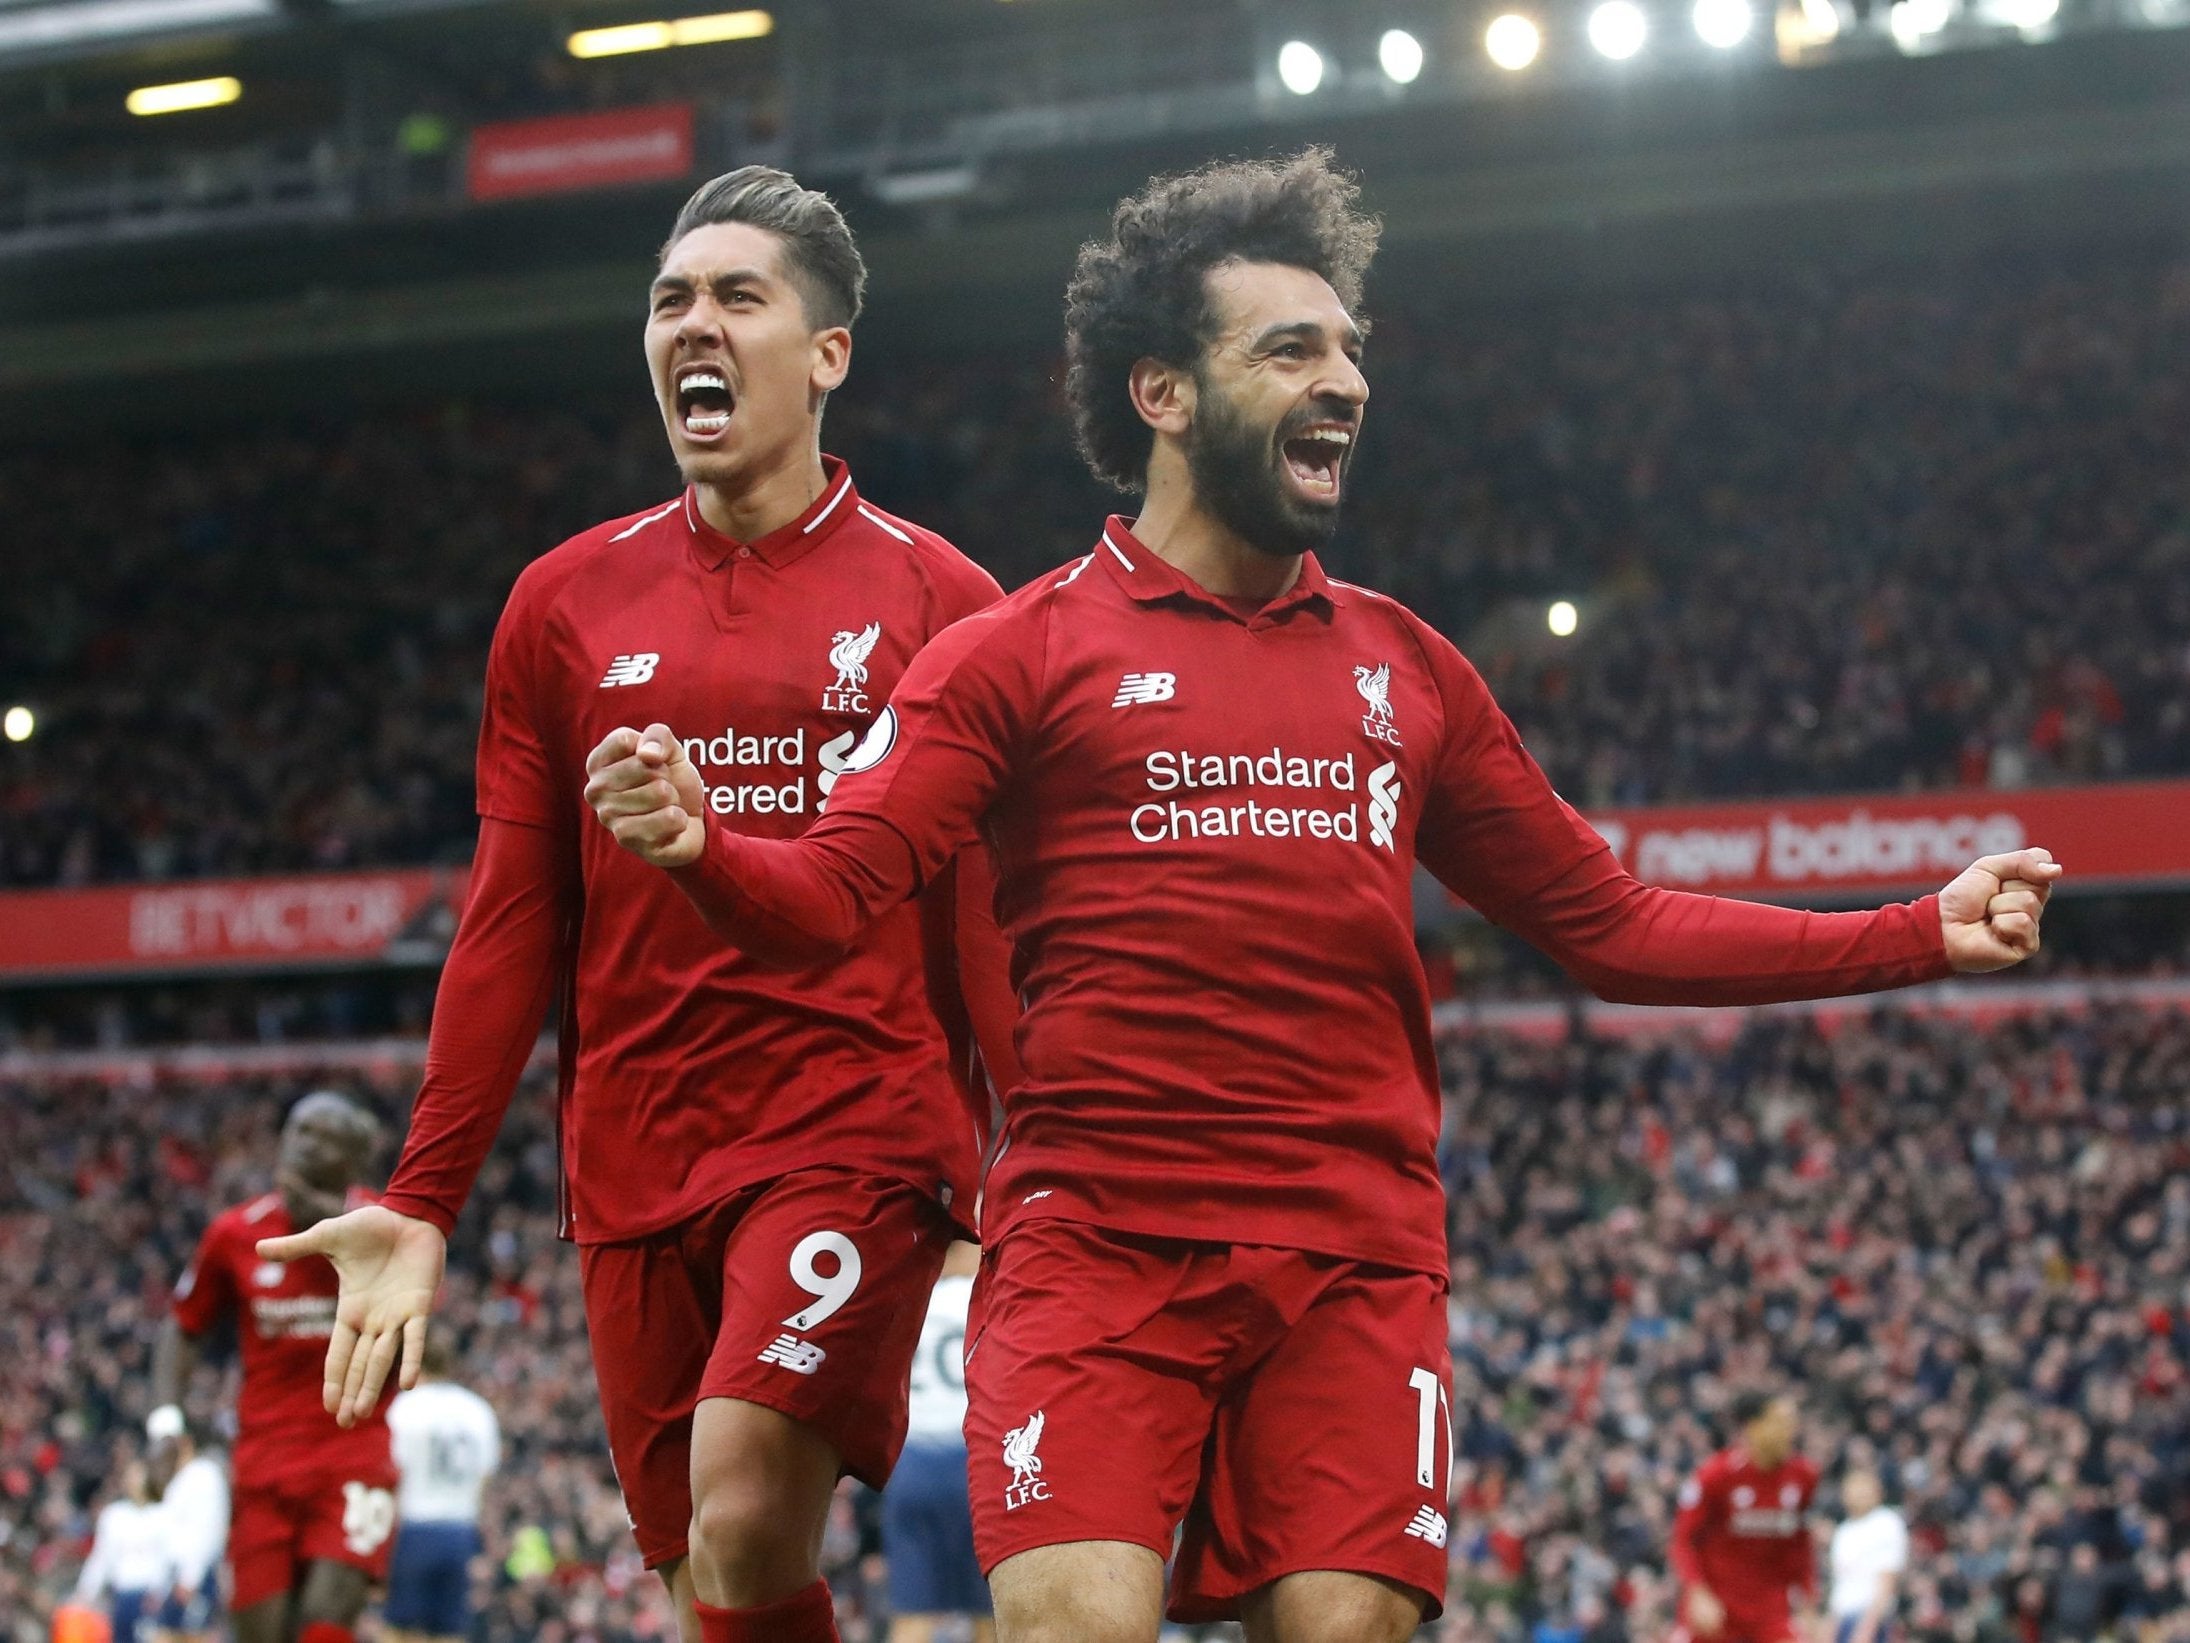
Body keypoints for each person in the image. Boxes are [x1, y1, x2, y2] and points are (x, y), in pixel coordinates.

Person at [581, 149, 2061, 1643]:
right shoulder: (1015, 655)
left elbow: (1608, 922)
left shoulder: (1404, 667)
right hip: (1097, 1247)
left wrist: (1912, 930)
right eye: (1290, 348)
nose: (1342, 378)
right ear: (1161, 393)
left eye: (1349, 347)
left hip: (1353, 1262)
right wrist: (705, 847)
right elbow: (832, 893)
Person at [259, 166, 1017, 1643]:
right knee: (703, 1581)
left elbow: (983, 922)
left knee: (741, 1500)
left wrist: (1033, 1159)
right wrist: (421, 1195)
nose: (695, 324)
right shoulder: (561, 602)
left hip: (850, 1123)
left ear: (827, 353)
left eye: (739, 297)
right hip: (633, 1151)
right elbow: (511, 917)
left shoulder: (944, 599)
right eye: (671, 299)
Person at [151, 1091, 391, 1643]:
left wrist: (336, 1226)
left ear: (353, 1163)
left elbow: (418, 1342)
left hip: (355, 1455)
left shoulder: (385, 1231)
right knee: (261, 1631)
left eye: (325, 1138)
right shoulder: (237, 1234)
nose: (305, 1146)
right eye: (298, 1131)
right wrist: (166, 1421)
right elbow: (182, 1328)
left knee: (325, 1622)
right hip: (264, 1462)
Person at [881, 1242, 993, 1643]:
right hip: (973, 1465)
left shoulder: (909, 1300)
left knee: (912, 1613)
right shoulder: (983, 1300)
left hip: (910, 1466)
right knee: (990, 1612)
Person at [1670, 1393, 1819, 1643]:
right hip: (1717, 1605)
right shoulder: (1715, 1475)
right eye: (1780, 1422)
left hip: (1770, 1609)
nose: (1790, 1430)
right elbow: (1683, 1540)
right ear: (1753, 1427)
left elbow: (1799, 1544)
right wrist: (1696, 1591)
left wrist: (1808, 1599)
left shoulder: (1803, 1476)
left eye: (1793, 1422)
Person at [382, 1337, 501, 1643]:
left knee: (400, 1629)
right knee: (449, 1631)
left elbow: (393, 1474)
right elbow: (485, 1477)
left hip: (414, 1529)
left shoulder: (404, 1408)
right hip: (460, 1532)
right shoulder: (477, 1410)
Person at [148, 1422, 230, 1643]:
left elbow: (206, 1530)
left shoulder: (203, 1475)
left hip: (195, 1576)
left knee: (196, 1636)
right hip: (176, 1577)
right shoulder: (179, 1481)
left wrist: (191, 1577)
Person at [73, 1460, 171, 1643]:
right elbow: (102, 1558)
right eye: (131, 1477)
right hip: (122, 1596)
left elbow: (168, 1558)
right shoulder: (114, 1516)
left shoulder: (163, 1515)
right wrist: (85, 1591)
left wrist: (160, 1590)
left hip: (152, 1598)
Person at [1825, 1468, 1907, 1643]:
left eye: (1864, 1489)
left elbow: (1887, 1580)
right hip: (1843, 1618)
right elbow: (1841, 1585)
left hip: (1871, 1619)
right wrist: (1830, 1628)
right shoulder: (1844, 1531)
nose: (1859, 1494)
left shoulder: (1886, 1522)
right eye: (1854, 1489)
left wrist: (1867, 1628)